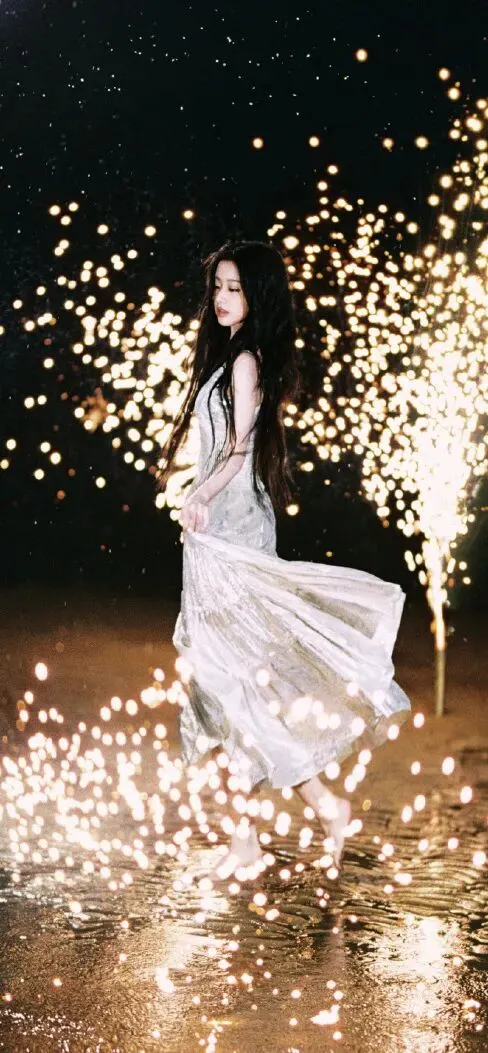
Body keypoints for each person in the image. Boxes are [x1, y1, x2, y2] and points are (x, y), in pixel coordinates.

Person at [158, 240, 411, 881]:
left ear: (258, 295)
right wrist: (198, 500)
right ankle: (300, 815)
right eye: (218, 285)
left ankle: (276, 826)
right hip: (214, 536)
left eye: (235, 288)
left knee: (231, 687)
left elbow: (239, 450)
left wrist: (199, 496)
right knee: (226, 689)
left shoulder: (245, 360)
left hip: (232, 535)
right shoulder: (228, 356)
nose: (222, 298)